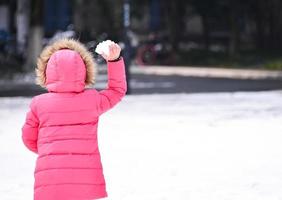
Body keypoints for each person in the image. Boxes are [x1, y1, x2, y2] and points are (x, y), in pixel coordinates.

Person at [21, 38, 127, 200]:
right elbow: (116, 91)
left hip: (50, 179)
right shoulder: (92, 100)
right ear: (85, 71)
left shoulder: (39, 104)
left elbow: (28, 138)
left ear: (45, 72)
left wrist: (50, 150)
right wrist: (114, 61)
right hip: (85, 181)